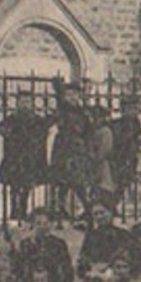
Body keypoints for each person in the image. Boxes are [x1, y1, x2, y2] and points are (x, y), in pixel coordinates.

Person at [0, 89, 52, 221]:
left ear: (32, 104)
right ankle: (13, 210)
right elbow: (2, 129)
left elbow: (45, 131)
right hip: (14, 157)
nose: (25, 104)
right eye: (22, 101)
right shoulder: (11, 119)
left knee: (27, 185)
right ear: (17, 103)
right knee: (14, 185)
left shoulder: (37, 120)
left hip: (30, 157)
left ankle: (23, 208)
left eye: (28, 101)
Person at [48, 82, 95, 226]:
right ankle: (60, 209)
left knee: (78, 182)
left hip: (77, 149)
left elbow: (89, 131)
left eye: (74, 94)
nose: (72, 97)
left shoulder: (83, 113)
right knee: (62, 182)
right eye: (68, 94)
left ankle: (86, 209)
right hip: (63, 148)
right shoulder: (61, 110)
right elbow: (56, 118)